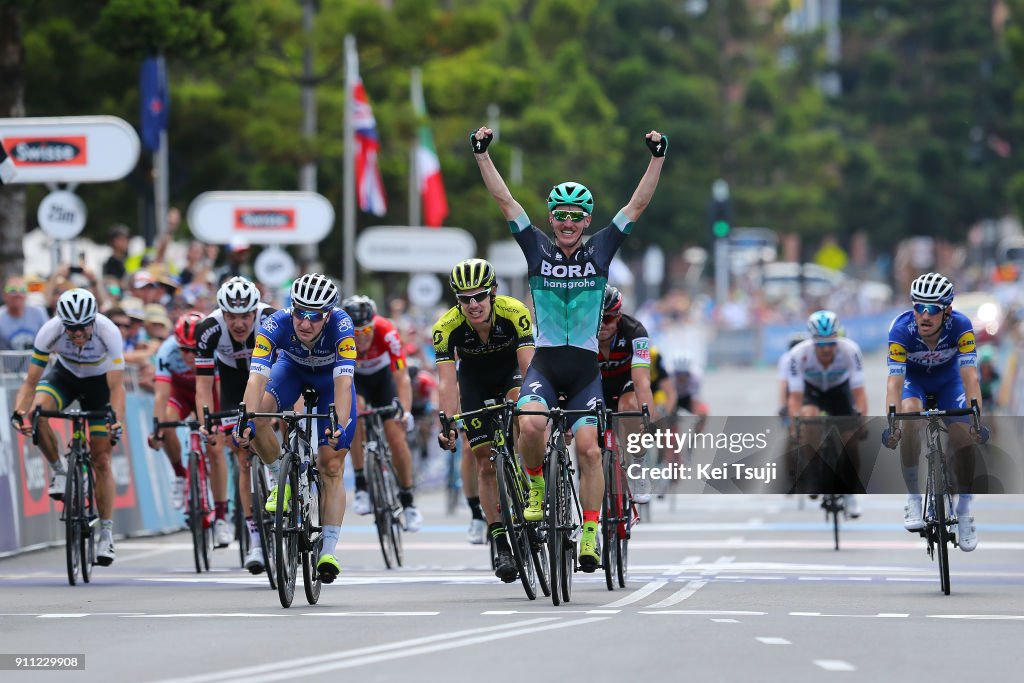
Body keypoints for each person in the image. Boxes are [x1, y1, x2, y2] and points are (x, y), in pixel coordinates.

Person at [472, 124, 666, 572]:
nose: (567, 223)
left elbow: (636, 205)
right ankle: (537, 485)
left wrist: (657, 158)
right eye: (560, 214)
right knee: (531, 426)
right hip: (544, 365)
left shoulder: (600, 250)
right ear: (552, 217)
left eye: (577, 215)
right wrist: (483, 155)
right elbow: (506, 201)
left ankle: (592, 531)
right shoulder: (536, 248)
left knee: (590, 449)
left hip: (583, 372)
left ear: (587, 219)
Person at [234, 273, 357, 583]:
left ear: (328, 314)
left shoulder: (343, 327)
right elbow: (256, 379)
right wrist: (246, 419)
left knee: (330, 464)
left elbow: (344, 384)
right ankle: (282, 477)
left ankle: (328, 548)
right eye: (300, 312)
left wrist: (337, 425)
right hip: (291, 372)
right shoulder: (275, 323)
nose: (305, 322)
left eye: (314, 316)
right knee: (259, 416)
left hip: (329, 380)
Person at [434, 258, 535, 582]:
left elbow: (530, 367)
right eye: (465, 299)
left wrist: (533, 406)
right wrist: (448, 423)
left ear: (493, 293)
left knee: (522, 407)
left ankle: (534, 480)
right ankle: (500, 539)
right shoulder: (445, 328)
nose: (473, 304)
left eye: (479, 296)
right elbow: (448, 382)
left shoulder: (514, 312)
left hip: (512, 373)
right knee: (484, 462)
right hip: (474, 381)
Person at [10, 289, 126, 566]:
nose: (76, 334)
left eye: (82, 327)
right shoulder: (50, 331)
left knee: (102, 459)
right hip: (65, 376)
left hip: (99, 384)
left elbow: (116, 386)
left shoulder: (108, 332)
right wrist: (19, 411)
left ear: (93, 321)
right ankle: (60, 471)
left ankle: (106, 533)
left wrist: (116, 420)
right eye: (70, 328)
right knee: (39, 412)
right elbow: (30, 381)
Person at [882, 273, 987, 552]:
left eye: (932, 309)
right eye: (918, 307)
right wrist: (892, 426)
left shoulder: (961, 326)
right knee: (909, 412)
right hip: (913, 383)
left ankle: (964, 512)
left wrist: (977, 420)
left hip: (949, 383)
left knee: (962, 437)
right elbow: (893, 382)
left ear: (947, 310)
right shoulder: (901, 329)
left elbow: (971, 378)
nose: (924, 315)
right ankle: (914, 499)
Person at [195, 276, 276, 573]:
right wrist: (207, 420)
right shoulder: (209, 329)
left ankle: (282, 474)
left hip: (269, 377)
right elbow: (203, 387)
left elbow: (288, 370)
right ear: (222, 314)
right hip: (232, 384)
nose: (239, 323)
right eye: (232, 316)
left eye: (245, 316)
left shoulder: (270, 320)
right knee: (243, 456)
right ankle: (256, 540)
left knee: (273, 429)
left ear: (255, 312)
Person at [146, 311, 237, 546]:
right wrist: (157, 429)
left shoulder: (214, 348)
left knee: (215, 449)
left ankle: (220, 518)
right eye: (183, 349)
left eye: (193, 350)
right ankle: (179, 474)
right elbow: (161, 394)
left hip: (208, 391)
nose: (188, 355)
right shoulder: (166, 351)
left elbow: (217, 391)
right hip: (182, 393)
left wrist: (217, 425)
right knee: (167, 421)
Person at [342, 295, 424, 532]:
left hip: (384, 380)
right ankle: (361, 485)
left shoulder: (386, 331)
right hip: (356, 379)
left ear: (374, 323)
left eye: (367, 329)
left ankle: (408, 501)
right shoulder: (340, 337)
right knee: (354, 414)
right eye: (355, 332)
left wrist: (405, 412)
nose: (362, 336)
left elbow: (401, 376)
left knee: (396, 436)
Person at [787, 311, 867, 516]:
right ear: (812, 341)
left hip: (840, 392)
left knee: (850, 440)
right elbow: (795, 398)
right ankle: (814, 471)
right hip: (812, 391)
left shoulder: (850, 350)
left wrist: (861, 420)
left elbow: (859, 393)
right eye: (820, 344)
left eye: (830, 343)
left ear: (837, 338)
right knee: (808, 417)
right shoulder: (798, 354)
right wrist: (795, 424)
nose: (826, 349)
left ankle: (850, 492)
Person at [597, 285, 656, 503]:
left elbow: (642, 382)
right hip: (595, 383)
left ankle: (639, 465)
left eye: (609, 318)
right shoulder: (581, 333)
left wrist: (647, 420)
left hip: (625, 382)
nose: (603, 324)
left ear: (619, 316)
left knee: (630, 408)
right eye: (598, 318)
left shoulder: (636, 331)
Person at [0, 276, 49, 351]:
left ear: (26, 295)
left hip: (37, 361)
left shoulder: (38, 312)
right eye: (12, 291)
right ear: (4, 295)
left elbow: (49, 338)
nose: (18, 294)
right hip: (7, 362)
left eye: (22, 290)